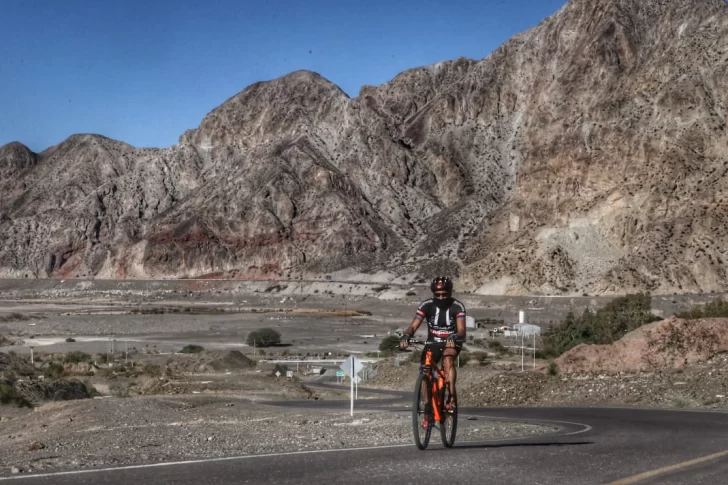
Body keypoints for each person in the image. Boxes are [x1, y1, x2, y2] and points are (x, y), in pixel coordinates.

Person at [399, 276, 466, 408]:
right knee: (425, 369)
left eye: (444, 294)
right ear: (433, 293)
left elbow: (462, 329)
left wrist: (454, 336)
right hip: (433, 342)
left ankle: (451, 396)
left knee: (447, 360)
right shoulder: (426, 305)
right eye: (437, 295)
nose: (441, 297)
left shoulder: (457, 306)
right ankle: (428, 404)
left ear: (450, 292)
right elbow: (413, 326)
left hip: (451, 342)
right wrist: (406, 335)